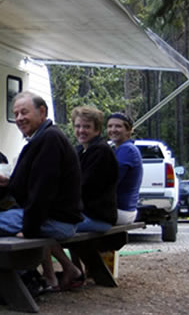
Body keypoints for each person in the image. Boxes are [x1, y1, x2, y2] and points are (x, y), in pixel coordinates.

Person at [0, 91, 83, 290]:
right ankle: (44, 275)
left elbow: (42, 192)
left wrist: (29, 230)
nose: (19, 118)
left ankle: (22, 277)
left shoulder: (49, 140)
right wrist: (10, 183)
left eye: (24, 112)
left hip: (57, 220)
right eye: (16, 114)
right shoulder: (44, 137)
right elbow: (35, 182)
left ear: (42, 112)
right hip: (57, 216)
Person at [42, 106, 119, 290]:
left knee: (43, 226)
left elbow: (82, 187)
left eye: (86, 127)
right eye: (77, 126)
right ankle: (70, 269)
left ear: (97, 130)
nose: (81, 131)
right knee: (40, 219)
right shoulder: (80, 150)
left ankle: (56, 274)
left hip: (98, 216)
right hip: (83, 212)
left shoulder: (101, 152)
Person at [107, 112, 143, 225]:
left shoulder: (127, 150)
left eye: (118, 126)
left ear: (129, 130)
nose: (113, 129)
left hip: (121, 211)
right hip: (122, 210)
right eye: (110, 126)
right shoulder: (118, 149)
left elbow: (110, 182)